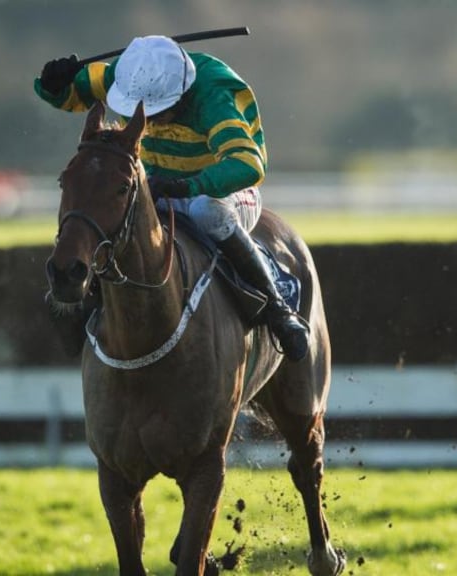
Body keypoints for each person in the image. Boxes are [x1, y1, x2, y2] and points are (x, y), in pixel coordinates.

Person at [35, 35, 310, 361]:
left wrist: (187, 186)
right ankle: (91, 298)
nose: (147, 121)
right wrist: (53, 86)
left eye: (157, 112)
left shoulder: (214, 93)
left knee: (208, 212)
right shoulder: (127, 75)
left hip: (223, 191)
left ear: (180, 96)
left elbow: (249, 165)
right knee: (113, 210)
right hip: (155, 186)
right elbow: (74, 93)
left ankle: (277, 307)